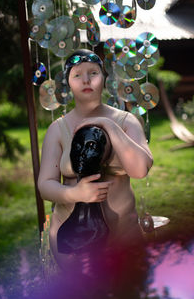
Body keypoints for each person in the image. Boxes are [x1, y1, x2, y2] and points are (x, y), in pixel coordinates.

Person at [38, 48, 153, 270]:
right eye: (77, 75)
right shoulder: (58, 129)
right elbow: (44, 185)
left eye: (93, 72)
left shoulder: (126, 121)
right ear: (68, 83)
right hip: (74, 238)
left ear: (104, 78)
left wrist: (109, 126)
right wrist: (73, 193)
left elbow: (140, 170)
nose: (86, 80)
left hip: (124, 235)